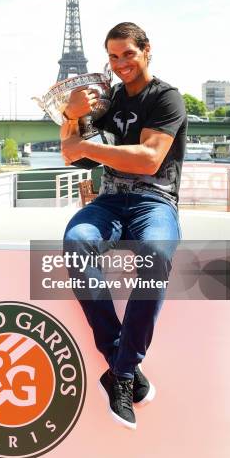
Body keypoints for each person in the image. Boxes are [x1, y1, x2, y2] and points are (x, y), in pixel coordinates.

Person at [61, 22, 187, 430]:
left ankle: (122, 372)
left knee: (154, 253)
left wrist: (88, 144)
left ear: (147, 50)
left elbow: (149, 159)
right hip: (111, 201)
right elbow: (69, 153)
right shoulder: (108, 99)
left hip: (156, 200)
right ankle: (124, 368)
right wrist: (70, 114)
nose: (120, 65)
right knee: (77, 241)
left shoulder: (166, 98)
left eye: (127, 55)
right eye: (113, 57)